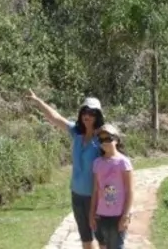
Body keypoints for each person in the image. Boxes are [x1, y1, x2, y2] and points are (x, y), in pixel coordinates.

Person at [28, 89, 106, 249]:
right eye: (85, 111)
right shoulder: (76, 132)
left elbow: (116, 161)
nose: (87, 115)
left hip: (96, 197)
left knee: (102, 239)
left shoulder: (102, 139)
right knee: (86, 238)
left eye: (92, 112)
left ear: (98, 116)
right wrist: (38, 101)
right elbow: (54, 117)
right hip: (77, 195)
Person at [89, 123, 134, 249]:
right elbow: (96, 190)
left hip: (118, 215)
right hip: (101, 215)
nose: (104, 142)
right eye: (101, 139)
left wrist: (125, 215)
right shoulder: (97, 163)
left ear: (116, 140)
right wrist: (92, 214)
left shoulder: (123, 162)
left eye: (108, 138)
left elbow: (130, 191)